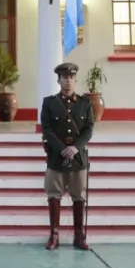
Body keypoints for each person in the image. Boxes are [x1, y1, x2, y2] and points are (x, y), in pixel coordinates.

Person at [40, 62, 95, 250]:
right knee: (54, 195)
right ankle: (54, 234)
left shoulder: (85, 103)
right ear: (58, 80)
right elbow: (46, 129)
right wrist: (62, 148)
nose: (68, 81)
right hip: (57, 156)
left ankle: (78, 236)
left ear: (75, 80)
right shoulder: (49, 103)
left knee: (79, 195)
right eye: (64, 78)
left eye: (71, 78)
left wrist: (76, 147)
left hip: (78, 157)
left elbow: (88, 129)